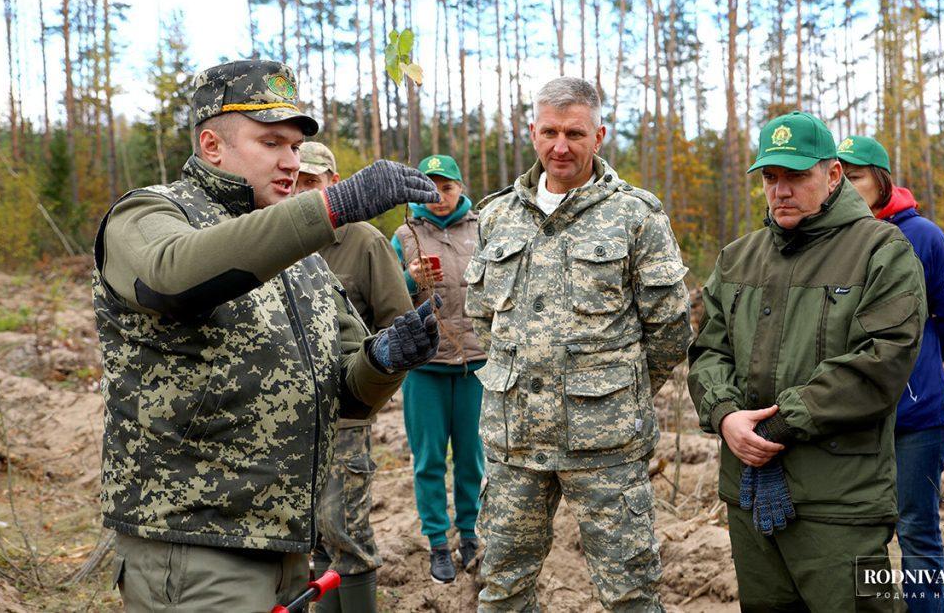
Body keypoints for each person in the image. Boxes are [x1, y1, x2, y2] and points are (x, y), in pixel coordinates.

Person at [93, 59, 442, 611]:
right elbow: (171, 275)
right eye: (271, 142)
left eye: (297, 147)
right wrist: (333, 205)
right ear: (212, 146)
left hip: (284, 546)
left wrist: (385, 359)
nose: (290, 161)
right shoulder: (150, 214)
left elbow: (347, 393)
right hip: (194, 545)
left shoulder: (300, 257)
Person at [465, 77, 692, 611]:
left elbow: (669, 327)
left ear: (599, 135)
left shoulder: (635, 214)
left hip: (604, 445)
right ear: (532, 133)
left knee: (630, 592)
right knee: (501, 588)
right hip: (514, 440)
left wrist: (613, 391)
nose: (560, 146)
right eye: (549, 132)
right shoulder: (497, 215)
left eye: (574, 133)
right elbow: (482, 317)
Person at [687, 111, 927, 612]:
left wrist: (778, 426)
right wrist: (726, 415)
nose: (781, 191)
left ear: (833, 174)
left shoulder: (883, 251)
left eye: (796, 176)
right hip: (749, 494)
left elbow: (881, 363)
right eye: (771, 178)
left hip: (841, 504)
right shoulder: (738, 257)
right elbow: (709, 350)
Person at [839, 135, 944, 612]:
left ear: (881, 178)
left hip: (917, 420)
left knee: (917, 534)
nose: (846, 187)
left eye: (855, 177)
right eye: (840, 177)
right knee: (859, 538)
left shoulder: (924, 236)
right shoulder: (834, 237)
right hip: (852, 418)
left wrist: (918, 367)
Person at [293, 142, 415, 612]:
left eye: (314, 180)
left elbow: (399, 328)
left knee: (346, 533)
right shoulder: (272, 238)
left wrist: (365, 396)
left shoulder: (365, 242)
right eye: (298, 180)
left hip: (344, 415)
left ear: (333, 183)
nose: (304, 189)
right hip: (286, 421)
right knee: (312, 540)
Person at [389, 155, 487, 585]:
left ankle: (469, 533)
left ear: (461, 187)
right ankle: (437, 543)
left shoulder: (485, 229)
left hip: (476, 365)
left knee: (472, 459)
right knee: (428, 461)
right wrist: (410, 280)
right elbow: (386, 297)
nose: (439, 195)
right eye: (430, 187)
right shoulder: (404, 234)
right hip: (424, 367)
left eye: (446, 186)